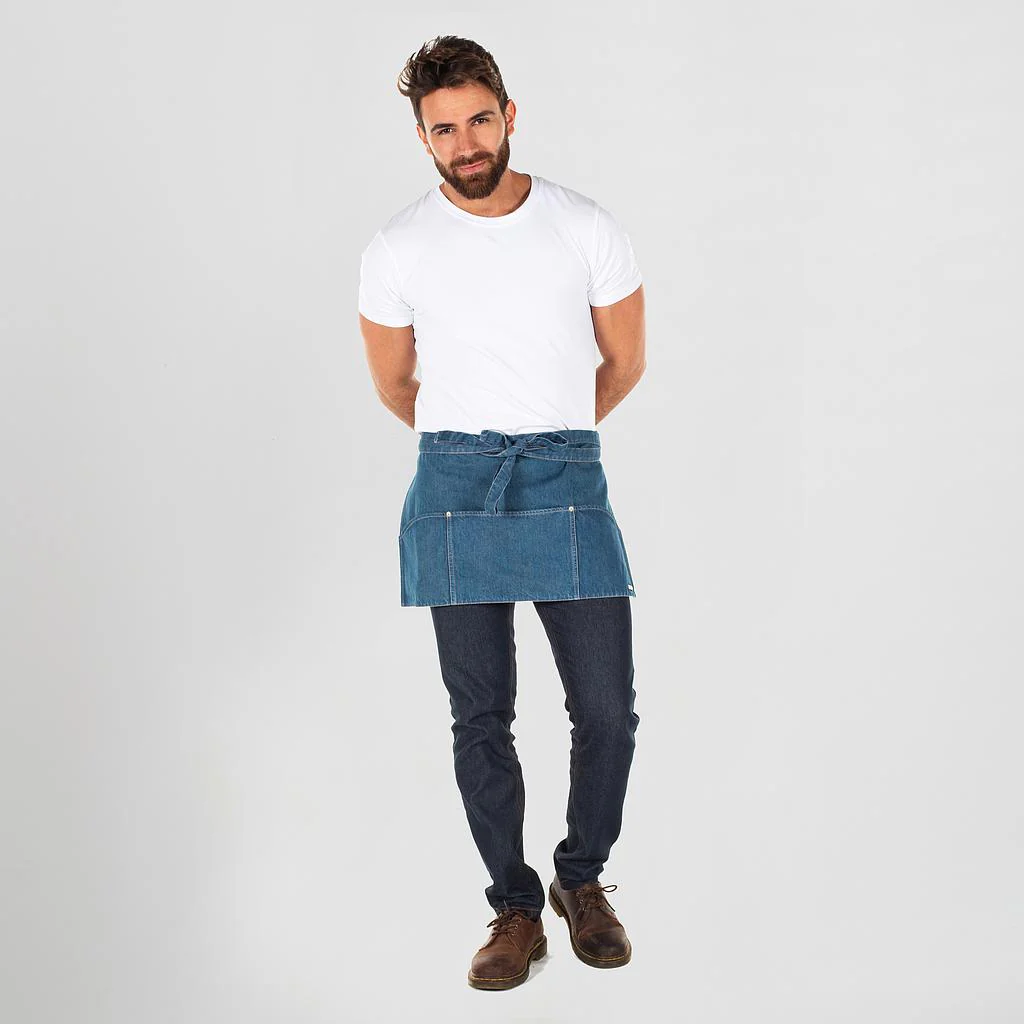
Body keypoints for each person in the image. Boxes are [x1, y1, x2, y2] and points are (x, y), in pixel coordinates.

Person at [357, 34, 645, 991]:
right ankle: (514, 906)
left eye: (479, 120)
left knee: (607, 711)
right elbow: (396, 385)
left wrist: (551, 435)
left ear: (509, 115)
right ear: (423, 137)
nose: (466, 143)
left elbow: (625, 362)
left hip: (566, 474)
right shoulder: (397, 247)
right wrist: (473, 440)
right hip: (454, 486)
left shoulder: (584, 226)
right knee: (480, 715)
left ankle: (580, 878)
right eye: (443, 130)